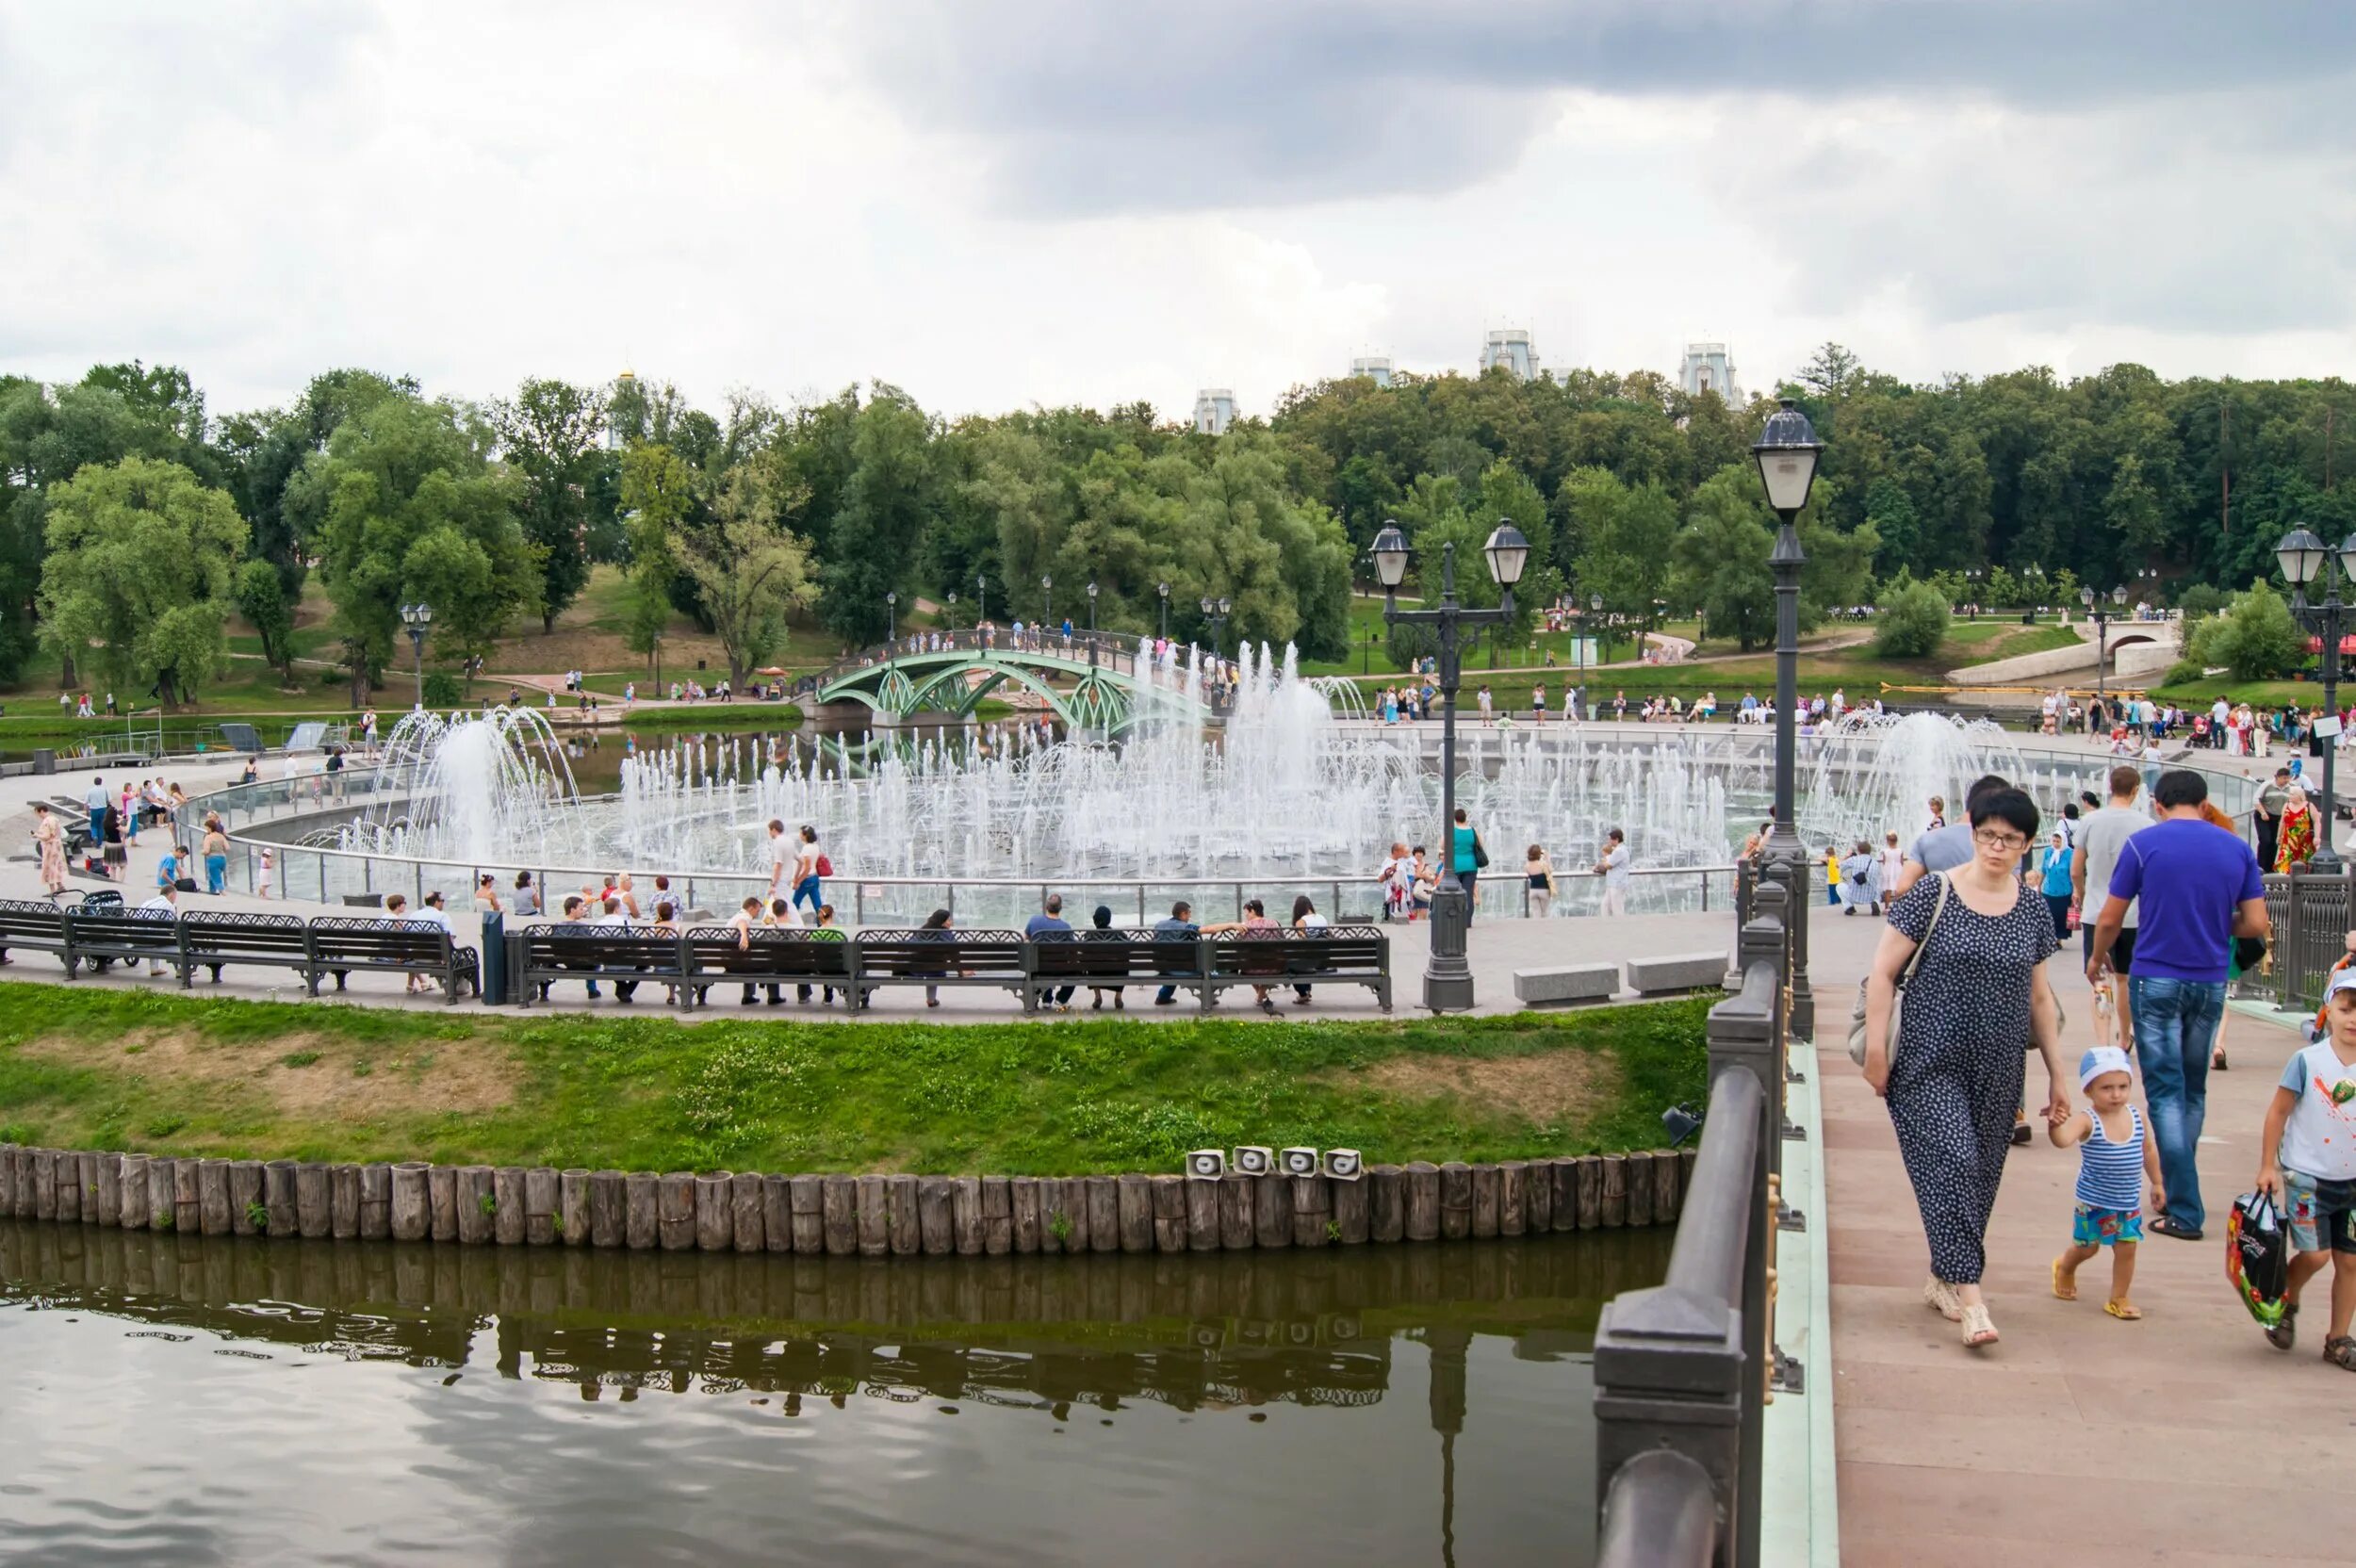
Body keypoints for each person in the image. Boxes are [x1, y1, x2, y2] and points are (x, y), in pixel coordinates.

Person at [1861, 786, 2072, 1348]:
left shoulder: (2030, 909)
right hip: (1928, 1059)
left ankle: (1942, 1276)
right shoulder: (1933, 893)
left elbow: (2041, 1000)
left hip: (2000, 1066)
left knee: (1980, 1177)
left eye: (2010, 839)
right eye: (1988, 835)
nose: (1996, 847)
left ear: (2027, 845)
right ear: (1973, 832)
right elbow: (1882, 973)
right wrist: (1878, 1051)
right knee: (1953, 1160)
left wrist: (2057, 1074)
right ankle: (1974, 1300)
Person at [2086, 768, 2271, 1242]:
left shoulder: (2144, 845)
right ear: (2206, 805)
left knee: (2165, 1092)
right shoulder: (2237, 849)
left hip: (2156, 978)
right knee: (2192, 1090)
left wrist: (2097, 958)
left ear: (2159, 805)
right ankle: (2176, 1186)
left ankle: (2185, 1208)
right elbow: (2255, 924)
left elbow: (2110, 915)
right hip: (2208, 982)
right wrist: (2213, 922)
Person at [2254, 967, 2356, 1369]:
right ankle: (2285, 1298)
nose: (2353, 1020)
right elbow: (2278, 1112)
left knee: (2350, 1261)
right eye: (2346, 1009)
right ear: (2327, 1011)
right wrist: (2267, 1165)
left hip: (2352, 1180)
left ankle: (2338, 1338)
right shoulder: (2307, 1061)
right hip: (2307, 1177)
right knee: (2315, 1256)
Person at [2049, 1045, 2160, 1321]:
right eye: (2106, 1088)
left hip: (2128, 1202)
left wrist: (2157, 1182)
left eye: (2123, 1086)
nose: (2116, 1094)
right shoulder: (2088, 1120)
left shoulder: (2137, 1117)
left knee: (2127, 1249)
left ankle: (2119, 1297)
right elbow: (2063, 1140)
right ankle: (2065, 1266)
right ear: (2089, 1090)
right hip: (2094, 1201)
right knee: (2088, 1247)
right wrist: (2054, 1125)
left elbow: (2148, 1151)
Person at [1026, 893, 1077, 1012]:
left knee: (1042, 963)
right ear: (1060, 908)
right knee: (1074, 969)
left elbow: (1025, 938)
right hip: (1059, 969)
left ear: (1046, 907)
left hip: (1038, 968)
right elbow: (1073, 950)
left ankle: (1045, 999)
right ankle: (1061, 998)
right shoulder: (1066, 927)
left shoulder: (1034, 921)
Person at [1152, 900, 1200, 1006]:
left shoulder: (1159, 925)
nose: (1189, 916)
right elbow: (1206, 930)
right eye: (1189, 913)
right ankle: (1208, 996)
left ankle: (1163, 997)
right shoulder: (1186, 927)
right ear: (1183, 914)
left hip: (1160, 966)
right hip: (1180, 967)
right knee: (1207, 969)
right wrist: (1231, 924)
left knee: (1172, 964)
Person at [1084, 904, 1125, 1012]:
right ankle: (1118, 997)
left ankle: (1098, 997)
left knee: (1091, 965)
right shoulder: (1120, 935)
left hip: (1095, 973)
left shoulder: (1089, 936)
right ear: (1109, 920)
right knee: (1124, 964)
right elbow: (1127, 953)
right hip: (1116, 973)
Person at [1288, 894, 1329, 1005]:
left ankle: (1303, 993)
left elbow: (1303, 944)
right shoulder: (1322, 917)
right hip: (1325, 961)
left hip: (1312, 961)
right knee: (1305, 959)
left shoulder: (1301, 922)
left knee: (1291, 965)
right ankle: (1308, 991)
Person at [136, 881, 179, 977]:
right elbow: (172, 927)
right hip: (151, 938)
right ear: (171, 895)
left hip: (137, 937)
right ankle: (180, 969)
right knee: (176, 939)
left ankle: (154, 968)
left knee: (155, 932)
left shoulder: (147, 902)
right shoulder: (168, 905)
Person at [2037, 828, 2074, 940]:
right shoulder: (2048, 851)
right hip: (2049, 890)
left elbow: (2073, 873)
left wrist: (2075, 890)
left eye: (2058, 841)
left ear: (2063, 841)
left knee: (2061, 916)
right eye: (2054, 841)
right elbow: (2043, 869)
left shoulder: (2070, 853)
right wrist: (2039, 885)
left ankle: (2058, 939)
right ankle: (2051, 938)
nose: (2055, 844)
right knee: (2049, 916)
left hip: (2064, 890)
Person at [2256, 766, 2292, 871]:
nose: (2286, 781)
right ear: (2277, 777)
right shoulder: (2267, 785)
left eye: (2287, 778)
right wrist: (2262, 812)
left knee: (2274, 842)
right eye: (2284, 778)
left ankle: (2270, 866)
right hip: (2265, 816)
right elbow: (2256, 799)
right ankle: (2261, 865)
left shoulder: (2290, 788)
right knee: (2265, 840)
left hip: (2278, 818)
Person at [1450, 806, 1483, 918]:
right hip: (1471, 865)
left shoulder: (1452, 832)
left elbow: (1442, 845)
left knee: (1454, 893)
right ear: (1465, 818)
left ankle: (1456, 918)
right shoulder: (1473, 831)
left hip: (1455, 866)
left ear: (1455, 819)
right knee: (1468, 893)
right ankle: (1467, 920)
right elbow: (1481, 845)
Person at [2277, 784, 2318, 871]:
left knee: (2304, 864)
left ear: (2299, 796)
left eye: (2292, 794)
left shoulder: (2309, 806)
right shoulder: (2286, 805)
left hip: (2304, 842)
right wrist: (2279, 836)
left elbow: (2316, 822)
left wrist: (2317, 837)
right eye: (2289, 794)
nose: (2289, 796)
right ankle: (2285, 882)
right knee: (2285, 864)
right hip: (2288, 841)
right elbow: (2282, 822)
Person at [30, 804, 66, 898]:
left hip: (50, 847)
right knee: (56, 866)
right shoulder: (54, 819)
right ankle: (60, 885)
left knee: (48, 868)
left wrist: (36, 835)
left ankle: (52, 890)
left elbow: (46, 836)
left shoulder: (46, 821)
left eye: (38, 813)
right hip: (57, 845)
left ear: (41, 811)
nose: (38, 816)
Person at [1596, 828, 1631, 918]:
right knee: (1605, 905)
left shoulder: (1619, 851)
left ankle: (1619, 926)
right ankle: (1606, 923)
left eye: (1610, 839)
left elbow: (1609, 865)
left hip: (1617, 883)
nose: (1609, 841)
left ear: (1616, 839)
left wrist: (1604, 859)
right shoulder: (1621, 849)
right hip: (1613, 883)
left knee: (1617, 907)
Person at [792, 825, 823, 916]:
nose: (799, 835)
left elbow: (807, 867)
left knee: (794, 904)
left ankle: (792, 926)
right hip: (814, 878)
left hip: (807, 879)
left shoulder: (807, 848)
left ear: (805, 835)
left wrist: (798, 881)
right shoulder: (815, 846)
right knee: (818, 905)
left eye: (800, 833)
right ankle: (823, 925)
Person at [1525, 844, 1557, 919]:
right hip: (1544, 890)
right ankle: (1544, 929)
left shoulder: (1527, 865)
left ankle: (1535, 928)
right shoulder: (1543, 864)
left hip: (1533, 890)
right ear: (1539, 854)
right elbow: (1551, 870)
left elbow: (1528, 873)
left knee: (1536, 913)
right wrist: (1547, 858)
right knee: (1544, 913)